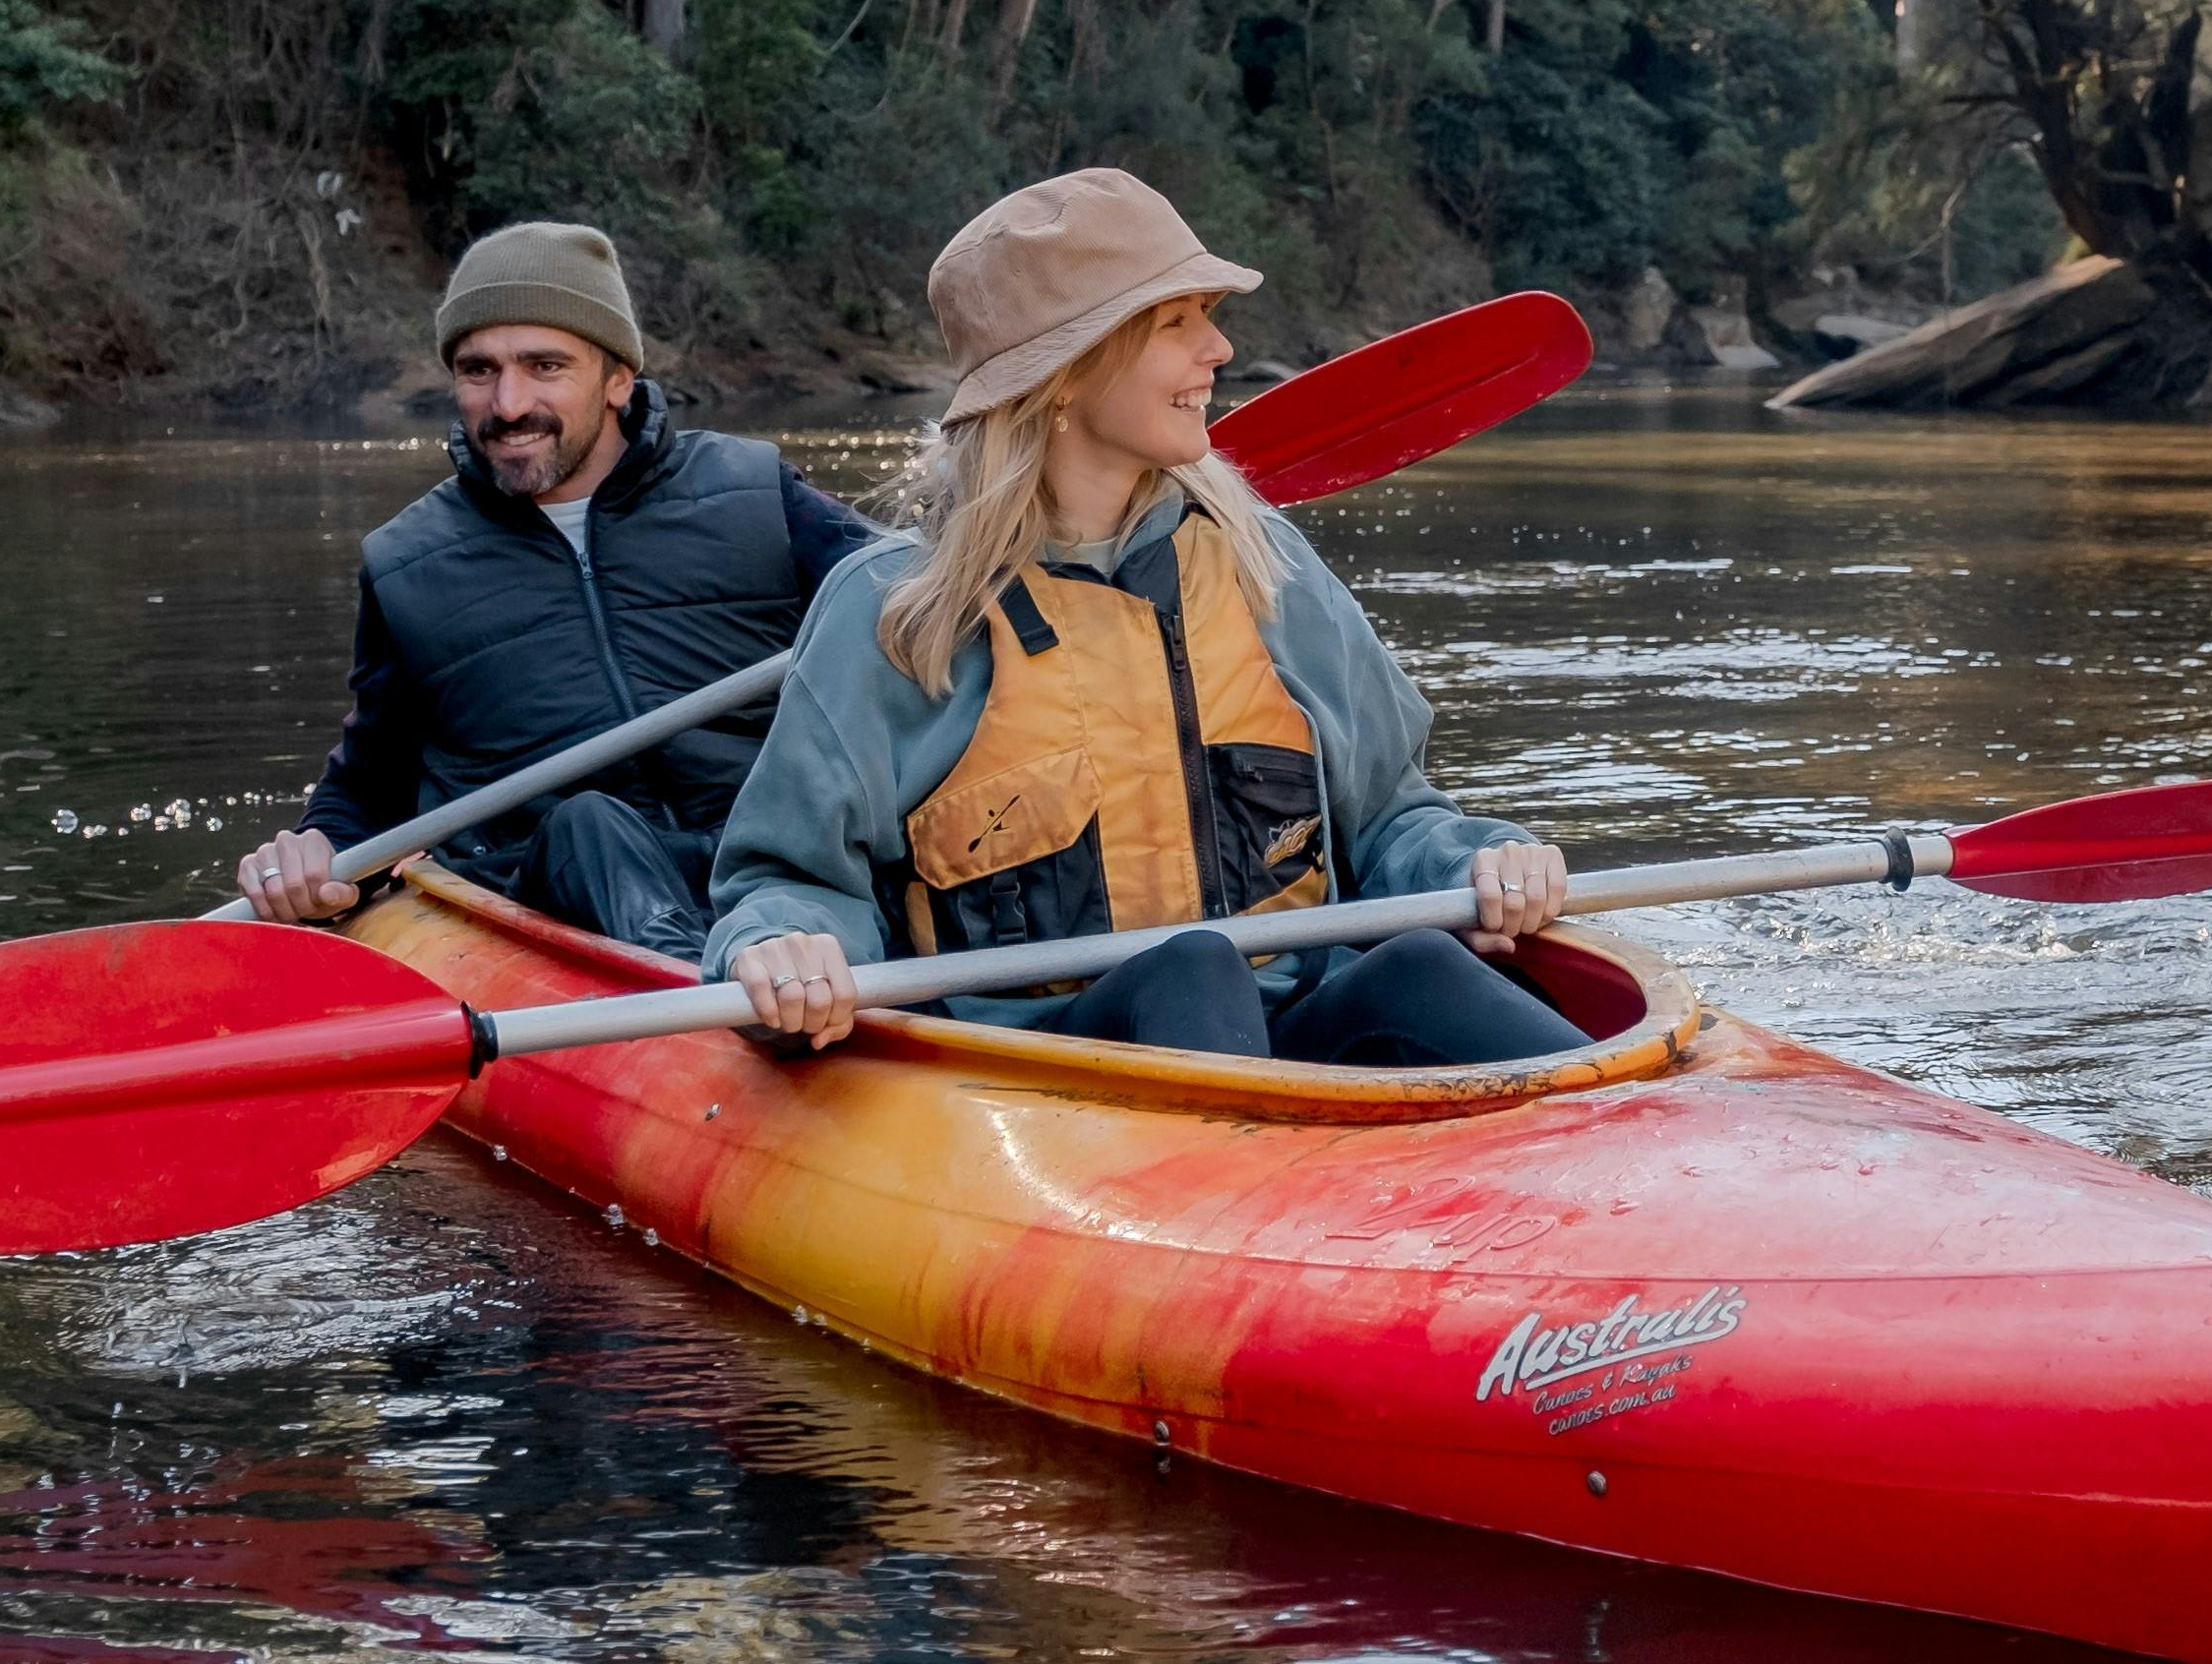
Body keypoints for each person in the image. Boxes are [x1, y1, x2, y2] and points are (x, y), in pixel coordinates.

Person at [706, 166, 1588, 1069]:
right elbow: (794, 881)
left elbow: (1392, 815)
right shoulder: (893, 614)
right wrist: (783, 942)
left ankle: (1630, 1132)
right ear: (1062, 376)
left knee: (1418, 970)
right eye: (1177, 323)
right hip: (1040, 1073)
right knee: (1192, 970)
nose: (1217, 350)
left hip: (1289, 1022)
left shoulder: (1263, 561)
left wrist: (1477, 859)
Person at [233, 220, 882, 962]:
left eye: (544, 366)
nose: (508, 404)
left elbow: (923, 615)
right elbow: (368, 794)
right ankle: (701, 987)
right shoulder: (407, 564)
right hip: (570, 896)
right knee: (589, 825)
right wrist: (309, 859)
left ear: (617, 379)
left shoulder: (755, 494)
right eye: (478, 370)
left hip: (778, 875)